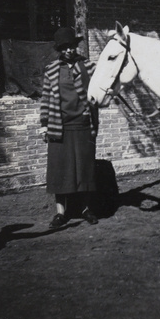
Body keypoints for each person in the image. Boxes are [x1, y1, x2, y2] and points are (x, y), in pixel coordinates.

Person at [40, 27, 99, 228]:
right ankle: (61, 213)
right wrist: (44, 124)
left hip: (83, 125)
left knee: (84, 169)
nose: (68, 51)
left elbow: (98, 93)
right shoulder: (51, 70)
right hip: (59, 127)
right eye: (64, 48)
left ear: (76, 46)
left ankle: (86, 209)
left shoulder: (89, 67)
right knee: (59, 170)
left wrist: (91, 110)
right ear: (59, 49)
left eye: (71, 46)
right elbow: (46, 98)